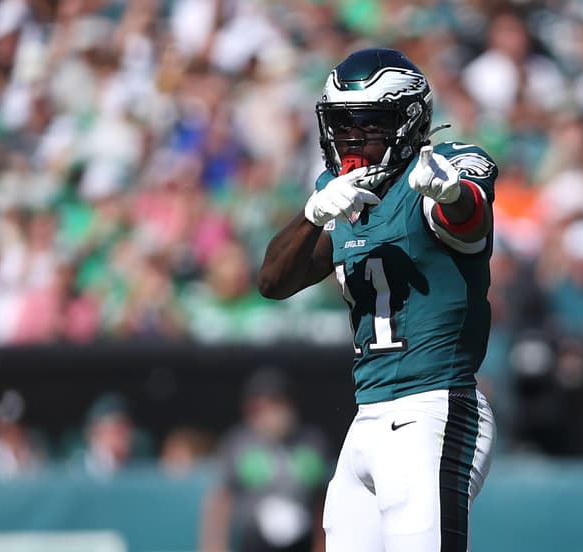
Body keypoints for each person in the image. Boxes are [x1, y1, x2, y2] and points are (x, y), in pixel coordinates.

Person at [258, 48, 497, 552]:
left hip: (433, 406)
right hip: (367, 416)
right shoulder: (338, 192)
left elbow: (470, 223)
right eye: (341, 123)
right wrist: (313, 215)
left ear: (407, 122)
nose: (351, 137)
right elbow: (273, 282)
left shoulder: (440, 169)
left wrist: (450, 195)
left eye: (368, 123)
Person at [199, 367, 330, 552]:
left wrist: (322, 545)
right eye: (263, 406)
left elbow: (321, 501)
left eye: (277, 404)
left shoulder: (312, 442)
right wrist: (215, 546)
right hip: (254, 543)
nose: (271, 414)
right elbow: (221, 500)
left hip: (302, 542)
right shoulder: (238, 443)